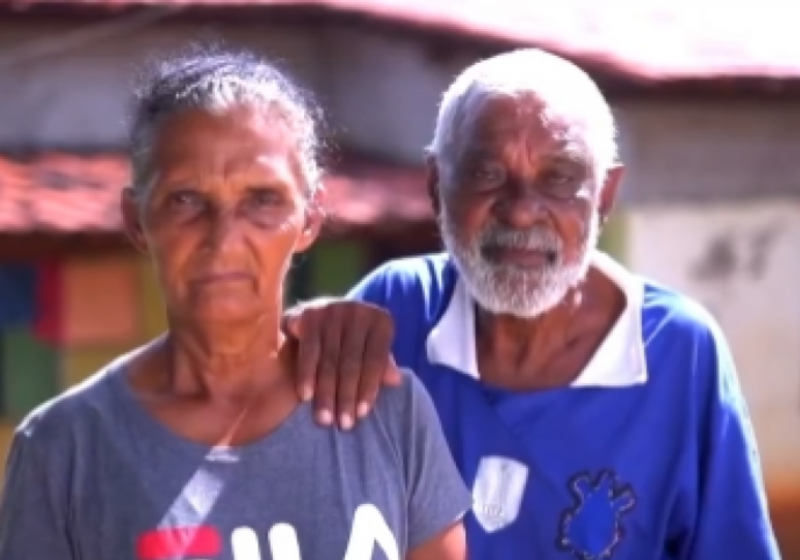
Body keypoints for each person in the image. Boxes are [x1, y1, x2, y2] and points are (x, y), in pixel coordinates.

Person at [284, 49, 782, 559]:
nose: (522, 212)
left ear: (605, 196)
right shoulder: (394, 312)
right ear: (437, 188)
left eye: (560, 177)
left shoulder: (678, 352)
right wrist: (297, 347)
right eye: (487, 174)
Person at [0, 45, 471, 560]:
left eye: (262, 199)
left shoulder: (387, 411)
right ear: (137, 220)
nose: (223, 238)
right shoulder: (64, 448)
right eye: (185, 200)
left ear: (310, 219)